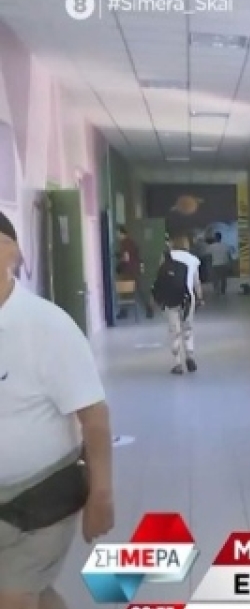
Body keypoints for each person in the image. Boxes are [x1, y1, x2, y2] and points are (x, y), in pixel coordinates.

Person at [0, 209, 115, 608]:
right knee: (31, 592)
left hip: (42, 495)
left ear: (10, 252)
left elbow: (94, 417)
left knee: (13, 597)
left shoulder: (47, 326)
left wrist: (101, 493)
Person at [158, 237, 202, 375]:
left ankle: (177, 363)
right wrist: (200, 298)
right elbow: (196, 282)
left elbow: (161, 278)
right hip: (188, 297)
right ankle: (190, 356)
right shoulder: (193, 259)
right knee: (187, 329)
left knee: (174, 331)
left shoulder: (166, 257)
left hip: (170, 298)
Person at [114, 225, 153, 319]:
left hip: (128, 271)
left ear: (121, 233)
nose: (117, 235)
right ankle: (148, 309)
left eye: (117, 233)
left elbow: (126, 258)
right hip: (135, 270)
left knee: (125, 292)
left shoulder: (125, 243)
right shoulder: (131, 242)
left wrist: (119, 258)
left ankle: (124, 312)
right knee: (139, 291)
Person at [206, 231, 234, 296]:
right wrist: (230, 265)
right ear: (221, 238)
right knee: (223, 278)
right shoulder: (225, 246)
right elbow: (229, 256)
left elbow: (209, 257)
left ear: (215, 238)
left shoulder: (211, 247)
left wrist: (208, 266)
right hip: (224, 264)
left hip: (215, 265)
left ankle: (216, 290)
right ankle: (223, 291)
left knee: (215, 279)